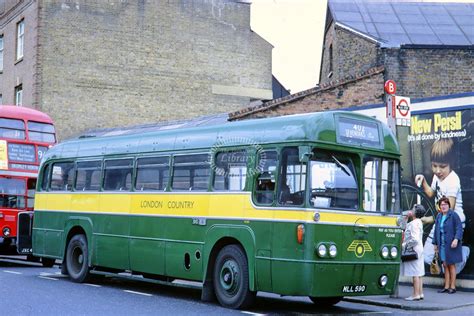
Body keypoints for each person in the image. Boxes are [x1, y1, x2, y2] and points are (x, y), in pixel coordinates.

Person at [414, 138, 467, 272]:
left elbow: (449, 210)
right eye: (434, 165)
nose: (437, 170)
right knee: (426, 258)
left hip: (454, 224)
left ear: (451, 164)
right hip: (440, 221)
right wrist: (424, 181)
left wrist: (430, 219)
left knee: (447, 264)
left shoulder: (453, 181)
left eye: (442, 166)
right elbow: (432, 193)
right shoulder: (437, 177)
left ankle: (463, 253)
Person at [432, 196, 463, 294]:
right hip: (442, 245)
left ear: (449, 205)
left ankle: (452, 287)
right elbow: (436, 230)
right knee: (445, 265)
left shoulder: (453, 215)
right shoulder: (439, 216)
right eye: (442, 205)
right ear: (439, 206)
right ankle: (446, 286)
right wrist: (435, 243)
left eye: (445, 204)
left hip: (451, 244)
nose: (444, 206)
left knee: (451, 265)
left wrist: (456, 239)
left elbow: (459, 228)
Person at [401, 204, 425, 301]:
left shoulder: (414, 223)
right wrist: (406, 219)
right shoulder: (418, 222)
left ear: (415, 212)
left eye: (413, 209)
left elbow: (414, 239)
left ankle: (415, 294)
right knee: (419, 273)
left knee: (415, 273)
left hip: (414, 249)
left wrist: (405, 245)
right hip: (419, 249)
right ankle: (420, 293)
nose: (411, 210)